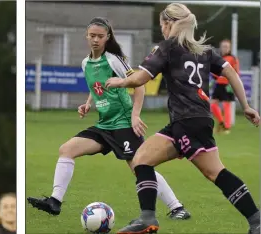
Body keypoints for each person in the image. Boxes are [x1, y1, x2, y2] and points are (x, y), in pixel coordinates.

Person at [105, 3, 261, 233]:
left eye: (162, 26)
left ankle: (257, 221)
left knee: (215, 172)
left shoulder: (168, 47)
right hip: (191, 120)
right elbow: (230, 73)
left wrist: (119, 81)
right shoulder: (204, 50)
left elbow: (140, 79)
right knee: (141, 159)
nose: (162, 30)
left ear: (169, 24)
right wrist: (246, 106)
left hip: (187, 121)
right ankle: (147, 218)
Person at [27, 17, 190, 220]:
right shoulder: (86, 62)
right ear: (87, 36)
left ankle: (177, 208)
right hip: (104, 125)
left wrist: (135, 116)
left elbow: (138, 85)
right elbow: (96, 87)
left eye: (100, 36)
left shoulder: (113, 59)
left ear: (107, 38)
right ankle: (55, 201)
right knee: (66, 150)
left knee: (141, 167)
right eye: (92, 36)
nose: (95, 40)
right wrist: (88, 103)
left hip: (123, 124)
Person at [211, 39, 240, 134]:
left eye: (227, 46)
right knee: (213, 104)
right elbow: (215, 71)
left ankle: (227, 127)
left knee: (226, 105)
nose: (225, 48)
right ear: (220, 47)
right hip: (218, 84)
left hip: (227, 84)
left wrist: (233, 83)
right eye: (223, 46)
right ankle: (221, 122)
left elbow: (236, 72)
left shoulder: (233, 58)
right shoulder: (218, 57)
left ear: (230, 48)